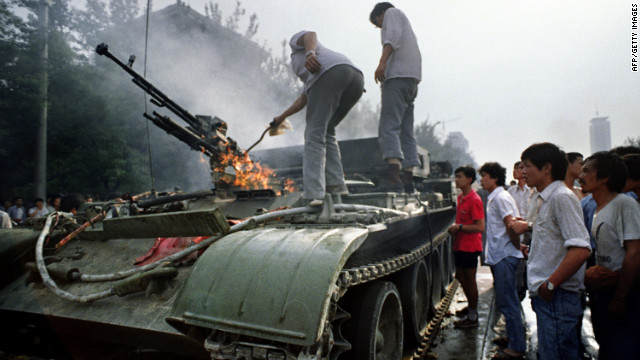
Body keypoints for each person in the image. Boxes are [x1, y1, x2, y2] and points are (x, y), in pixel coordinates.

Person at [272, 31, 364, 206]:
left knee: (314, 135)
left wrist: (310, 54)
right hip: (354, 78)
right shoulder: (310, 77)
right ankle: (337, 186)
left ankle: (314, 194)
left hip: (331, 73)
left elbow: (310, 34)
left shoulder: (297, 47)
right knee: (327, 130)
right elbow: (304, 99)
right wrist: (282, 117)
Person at [519, 143, 591, 360]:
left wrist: (550, 284)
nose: (522, 171)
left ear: (547, 168)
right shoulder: (545, 198)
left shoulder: (561, 197)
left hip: (557, 297)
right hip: (549, 296)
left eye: (527, 166)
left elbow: (580, 249)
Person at [579, 152, 640, 360]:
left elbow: (635, 251)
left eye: (587, 171)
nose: (581, 175)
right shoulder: (598, 208)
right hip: (604, 293)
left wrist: (621, 296)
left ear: (605, 177)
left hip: (623, 294)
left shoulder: (624, 204)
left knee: (622, 349)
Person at [369, 2, 422, 193]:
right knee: (406, 131)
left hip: (397, 78)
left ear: (381, 13)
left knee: (388, 127)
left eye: (378, 22)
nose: (380, 27)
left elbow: (390, 39)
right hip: (411, 81)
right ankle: (408, 179)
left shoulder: (392, 13)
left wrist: (382, 63)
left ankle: (393, 178)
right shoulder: (406, 26)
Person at [478, 162, 525, 359]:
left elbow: (511, 225)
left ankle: (516, 347)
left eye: (485, 176)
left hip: (505, 256)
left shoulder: (501, 197)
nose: (482, 180)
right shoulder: (495, 197)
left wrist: (516, 247)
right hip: (501, 255)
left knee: (508, 302)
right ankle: (513, 338)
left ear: (495, 178)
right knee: (507, 300)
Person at [447, 166, 485, 328]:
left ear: (469, 179)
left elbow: (480, 227)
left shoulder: (474, 200)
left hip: (470, 246)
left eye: (460, 177)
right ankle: (471, 306)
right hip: (461, 245)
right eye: (455, 177)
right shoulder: (462, 197)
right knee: (461, 277)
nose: (456, 180)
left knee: (470, 279)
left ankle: (473, 315)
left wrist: (459, 227)